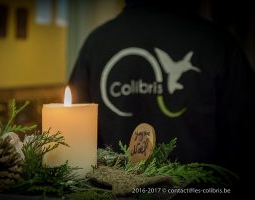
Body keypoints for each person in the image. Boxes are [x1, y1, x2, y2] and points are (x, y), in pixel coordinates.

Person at [69, 0, 255, 188]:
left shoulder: (97, 42)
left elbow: (75, 136)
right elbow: (244, 143)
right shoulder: (218, 43)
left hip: (111, 193)